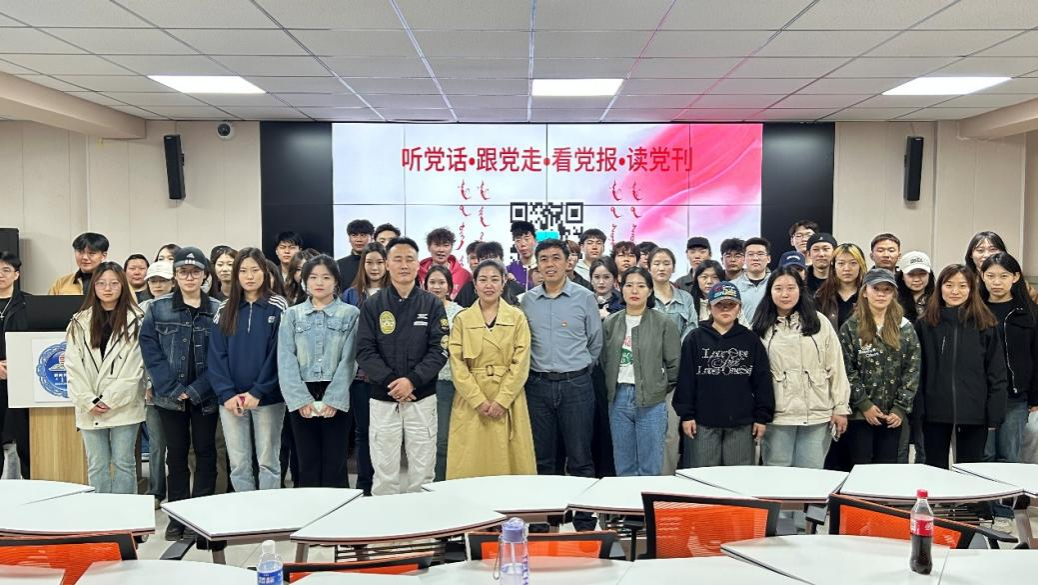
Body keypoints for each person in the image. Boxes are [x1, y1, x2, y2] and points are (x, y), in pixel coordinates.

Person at [139, 247, 221, 541]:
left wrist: (197, 389)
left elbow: (221, 356)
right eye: (183, 272)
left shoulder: (217, 309)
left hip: (206, 395)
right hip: (169, 397)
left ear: (205, 275)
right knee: (175, 454)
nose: (189, 277)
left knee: (205, 452)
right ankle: (178, 516)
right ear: (175, 276)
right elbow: (150, 350)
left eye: (195, 272)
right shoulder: (157, 308)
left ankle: (202, 515)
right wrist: (172, 388)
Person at [356, 237, 447, 495]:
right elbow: (364, 351)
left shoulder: (431, 304)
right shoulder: (373, 304)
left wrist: (412, 381)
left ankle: (422, 519)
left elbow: (440, 349)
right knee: (384, 473)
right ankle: (387, 520)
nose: (404, 265)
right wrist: (392, 383)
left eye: (409, 259)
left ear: (419, 265)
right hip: (383, 398)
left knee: (423, 472)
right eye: (397, 259)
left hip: (421, 396)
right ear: (387, 264)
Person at [521, 238, 602, 530]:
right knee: (543, 458)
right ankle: (546, 518)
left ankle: (584, 520)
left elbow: (595, 342)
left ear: (568, 262)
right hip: (538, 386)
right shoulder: (526, 301)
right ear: (537, 265)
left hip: (576, 385)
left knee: (580, 457)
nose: (550, 264)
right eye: (543, 259)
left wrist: (576, 370)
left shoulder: (585, 297)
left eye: (556, 258)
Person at [447, 260, 536, 479]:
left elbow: (521, 363)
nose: (489, 285)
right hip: (472, 400)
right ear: (474, 284)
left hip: (508, 397)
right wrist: (478, 400)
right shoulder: (462, 319)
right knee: (470, 462)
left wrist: (502, 400)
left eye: (495, 279)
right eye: (483, 280)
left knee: (510, 463)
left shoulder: (516, 317)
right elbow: (457, 364)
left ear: (504, 283)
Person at [753, 268, 850, 469]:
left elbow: (836, 366)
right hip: (778, 414)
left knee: (812, 472)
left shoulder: (819, 322)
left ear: (800, 290)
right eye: (778, 288)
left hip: (816, 412)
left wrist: (840, 407)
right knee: (777, 471)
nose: (785, 294)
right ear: (769, 292)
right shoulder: (760, 326)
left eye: (791, 288)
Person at [209, 247, 288, 492]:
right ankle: (245, 512)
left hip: (267, 398)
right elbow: (216, 355)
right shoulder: (225, 308)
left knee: (268, 462)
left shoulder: (278, 305)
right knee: (239, 464)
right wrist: (226, 393)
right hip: (231, 400)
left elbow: (279, 354)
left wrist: (258, 391)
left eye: (255, 270)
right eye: (243, 271)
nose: (249, 276)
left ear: (265, 271)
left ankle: (269, 512)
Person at [916, 264, 1007, 470]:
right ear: (939, 288)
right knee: (934, 469)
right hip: (934, 412)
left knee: (971, 470)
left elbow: (997, 372)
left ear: (972, 289)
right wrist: (919, 410)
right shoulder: (925, 324)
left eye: (962, 286)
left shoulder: (985, 324)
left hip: (974, 413)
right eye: (949, 285)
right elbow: (918, 372)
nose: (955, 291)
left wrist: (994, 414)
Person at [64, 262, 145, 494]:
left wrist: (109, 399)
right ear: (93, 287)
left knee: (124, 463)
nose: (107, 288)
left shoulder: (137, 320)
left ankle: (126, 515)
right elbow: (73, 365)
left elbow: (135, 368)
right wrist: (89, 400)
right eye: (101, 283)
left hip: (124, 404)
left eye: (113, 283)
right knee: (97, 465)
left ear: (123, 285)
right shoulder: (79, 321)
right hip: (88, 406)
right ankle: (100, 514)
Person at [278, 255, 358, 488]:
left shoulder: (350, 314)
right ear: (305, 281)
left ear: (336, 281)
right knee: (306, 461)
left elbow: (350, 359)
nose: (319, 282)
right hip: (302, 391)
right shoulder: (292, 315)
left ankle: (337, 508)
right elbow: (285, 359)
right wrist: (300, 399)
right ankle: (308, 508)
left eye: (326, 277)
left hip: (337, 391)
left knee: (335, 461)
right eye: (313, 277)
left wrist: (334, 398)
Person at [674, 282, 774, 467]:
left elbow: (762, 381)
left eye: (731, 304)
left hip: (741, 422)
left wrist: (762, 417)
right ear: (709, 307)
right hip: (702, 422)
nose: (725, 309)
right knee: (702, 475)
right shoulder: (695, 338)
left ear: (739, 308)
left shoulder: (751, 340)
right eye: (719, 304)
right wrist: (686, 415)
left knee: (737, 476)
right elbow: (686, 380)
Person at [601, 267, 680, 476]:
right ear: (621, 288)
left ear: (650, 290)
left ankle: (647, 499)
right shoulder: (611, 322)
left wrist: (658, 387)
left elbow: (674, 364)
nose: (634, 290)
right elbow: (604, 360)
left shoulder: (663, 322)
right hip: (618, 398)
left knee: (650, 466)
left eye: (641, 286)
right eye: (629, 285)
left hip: (652, 400)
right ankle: (627, 499)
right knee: (624, 464)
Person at [979, 252, 1038, 529]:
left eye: (1003, 276)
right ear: (982, 277)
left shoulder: (1029, 313)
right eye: (991, 275)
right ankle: (985, 509)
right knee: (984, 455)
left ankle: (1004, 511)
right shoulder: (975, 309)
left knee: (1009, 456)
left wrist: (1035, 397)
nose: (997, 282)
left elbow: (1036, 357)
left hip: (1016, 397)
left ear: (1015, 278)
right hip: (982, 397)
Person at [840, 268, 921, 465]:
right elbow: (846, 369)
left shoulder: (905, 328)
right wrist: (864, 405)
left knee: (886, 468)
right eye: (876, 288)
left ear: (893, 294)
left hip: (892, 415)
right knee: (861, 466)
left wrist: (900, 408)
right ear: (864, 292)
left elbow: (912, 370)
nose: (881, 294)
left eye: (887, 289)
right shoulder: (850, 327)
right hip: (860, 414)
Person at [341, 241, 389, 495]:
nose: (374, 267)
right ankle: (364, 484)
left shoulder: (394, 292)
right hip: (359, 376)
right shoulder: (351, 295)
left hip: (388, 375)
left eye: (379, 262)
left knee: (386, 433)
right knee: (363, 432)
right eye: (369, 262)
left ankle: (385, 483)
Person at [424, 265, 463, 482]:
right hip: (421, 381)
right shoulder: (419, 308)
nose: (436, 287)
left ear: (449, 286)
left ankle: (441, 482)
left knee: (443, 438)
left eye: (441, 282)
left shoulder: (459, 314)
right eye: (432, 282)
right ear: (425, 285)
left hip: (447, 382)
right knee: (422, 438)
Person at [588, 257, 622, 478]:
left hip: (615, 372)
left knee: (611, 427)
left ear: (615, 279)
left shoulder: (624, 303)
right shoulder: (582, 301)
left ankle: (610, 475)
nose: (601, 282)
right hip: (589, 372)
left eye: (606, 277)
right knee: (590, 427)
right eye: (597, 277)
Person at [0, 252, 30, 479]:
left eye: (6, 270)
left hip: (23, 379)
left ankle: (32, 483)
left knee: (25, 438)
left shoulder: (30, 304)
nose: (0, 275)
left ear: (16, 274)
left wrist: (18, 363)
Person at [453, 242, 524, 308]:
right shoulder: (468, 289)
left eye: (493, 259)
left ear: (502, 260)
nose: (489, 263)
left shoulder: (514, 287)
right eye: (484, 259)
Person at [648, 248, 696, 340]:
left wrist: (676, 347)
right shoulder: (643, 297)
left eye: (666, 264)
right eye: (656, 264)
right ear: (649, 268)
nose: (661, 268)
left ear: (673, 268)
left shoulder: (686, 298)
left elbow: (692, 327)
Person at [816, 243, 866, 331]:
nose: (847, 268)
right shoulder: (822, 295)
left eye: (853, 263)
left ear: (860, 265)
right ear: (834, 266)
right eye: (841, 263)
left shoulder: (868, 294)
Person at [417, 227, 472, 295]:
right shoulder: (417, 273)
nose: (441, 250)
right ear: (428, 247)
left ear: (451, 248)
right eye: (437, 245)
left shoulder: (465, 275)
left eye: (446, 245)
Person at [733, 237, 771, 322]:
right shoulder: (733, 286)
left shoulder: (776, 283)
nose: (755, 258)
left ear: (768, 258)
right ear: (744, 259)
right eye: (750, 254)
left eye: (760, 254)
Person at [337, 219, 374, 293]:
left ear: (372, 237)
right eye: (354, 235)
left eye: (363, 235)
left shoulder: (380, 263)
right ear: (349, 238)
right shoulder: (338, 265)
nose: (358, 240)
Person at [897, 251, 934, 323]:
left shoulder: (939, 299)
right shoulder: (893, 300)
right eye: (911, 274)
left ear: (929, 275)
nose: (917, 279)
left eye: (922, 274)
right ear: (902, 276)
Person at [506, 220, 538, 290]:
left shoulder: (542, 267)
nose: (523, 244)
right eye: (518, 240)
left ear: (535, 241)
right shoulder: (509, 270)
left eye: (527, 239)